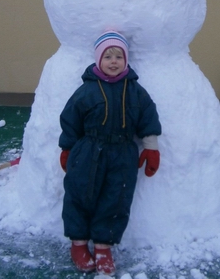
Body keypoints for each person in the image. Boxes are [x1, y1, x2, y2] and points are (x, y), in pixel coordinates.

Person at [59, 31, 161, 275]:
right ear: (98, 60)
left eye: (118, 56)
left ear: (126, 60)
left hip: (123, 153)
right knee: (80, 194)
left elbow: (148, 117)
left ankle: (104, 247)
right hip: (88, 150)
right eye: (108, 56)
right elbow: (70, 120)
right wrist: (67, 148)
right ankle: (79, 243)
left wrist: (151, 147)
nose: (113, 61)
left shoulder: (136, 91)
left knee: (116, 199)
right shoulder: (86, 91)